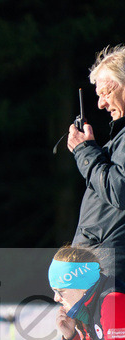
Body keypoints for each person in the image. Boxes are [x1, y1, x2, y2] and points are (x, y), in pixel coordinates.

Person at [67, 45, 125, 278]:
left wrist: (84, 151)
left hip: (109, 273)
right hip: (101, 269)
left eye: (105, 93)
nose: (100, 104)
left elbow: (119, 189)